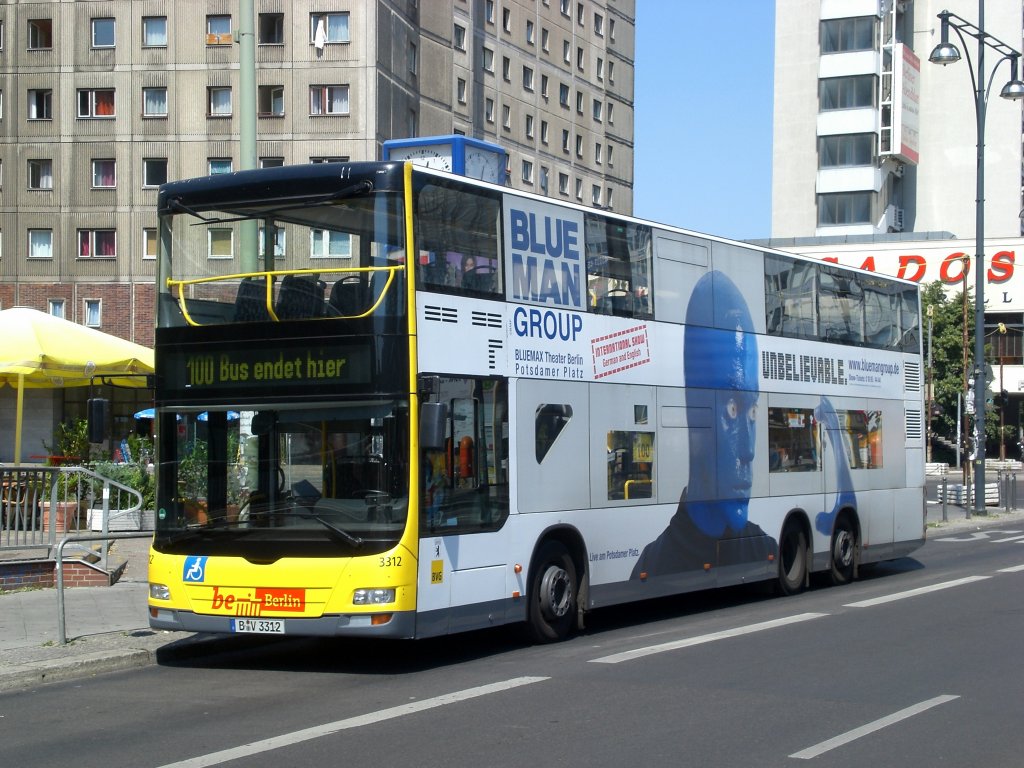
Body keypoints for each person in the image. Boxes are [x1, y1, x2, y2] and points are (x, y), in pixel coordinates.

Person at [632, 271, 775, 578]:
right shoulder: (652, 567)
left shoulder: (766, 549)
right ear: (692, 414)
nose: (748, 451)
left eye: (753, 413)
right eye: (733, 408)